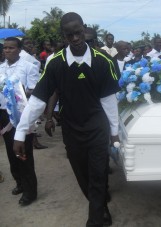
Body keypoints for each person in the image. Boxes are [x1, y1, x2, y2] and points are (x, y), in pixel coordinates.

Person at [13, 12, 120, 226]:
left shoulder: (103, 61)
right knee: (83, 175)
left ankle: (95, 218)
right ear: (63, 36)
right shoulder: (55, 64)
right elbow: (38, 100)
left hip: (97, 128)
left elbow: (109, 101)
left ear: (84, 29)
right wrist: (20, 132)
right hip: (71, 130)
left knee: (98, 174)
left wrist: (114, 132)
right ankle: (100, 206)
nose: (75, 39)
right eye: (69, 35)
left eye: (78, 33)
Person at [0, 37, 38, 206]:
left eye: (11, 48)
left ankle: (30, 190)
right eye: (5, 48)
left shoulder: (29, 67)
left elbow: (34, 90)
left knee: (23, 153)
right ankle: (20, 183)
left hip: (21, 114)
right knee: (10, 152)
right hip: (4, 115)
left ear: (19, 49)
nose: (7, 51)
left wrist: (19, 93)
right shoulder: (0, 68)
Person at [20, 37, 48, 150]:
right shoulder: (24, 57)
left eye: (31, 43)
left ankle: (33, 138)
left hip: (32, 88)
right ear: (22, 46)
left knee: (32, 117)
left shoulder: (30, 56)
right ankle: (34, 141)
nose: (30, 45)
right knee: (29, 117)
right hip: (25, 91)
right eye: (27, 43)